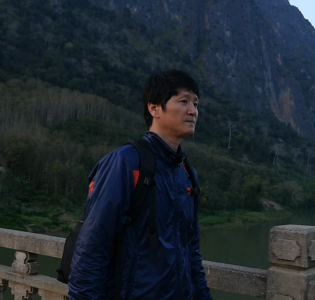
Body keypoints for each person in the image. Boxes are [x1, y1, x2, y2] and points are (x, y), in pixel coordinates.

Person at [68, 70, 212, 299]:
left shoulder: (186, 173)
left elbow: (191, 250)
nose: (193, 111)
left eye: (195, 103)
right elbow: (92, 247)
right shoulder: (126, 163)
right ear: (154, 108)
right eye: (183, 101)